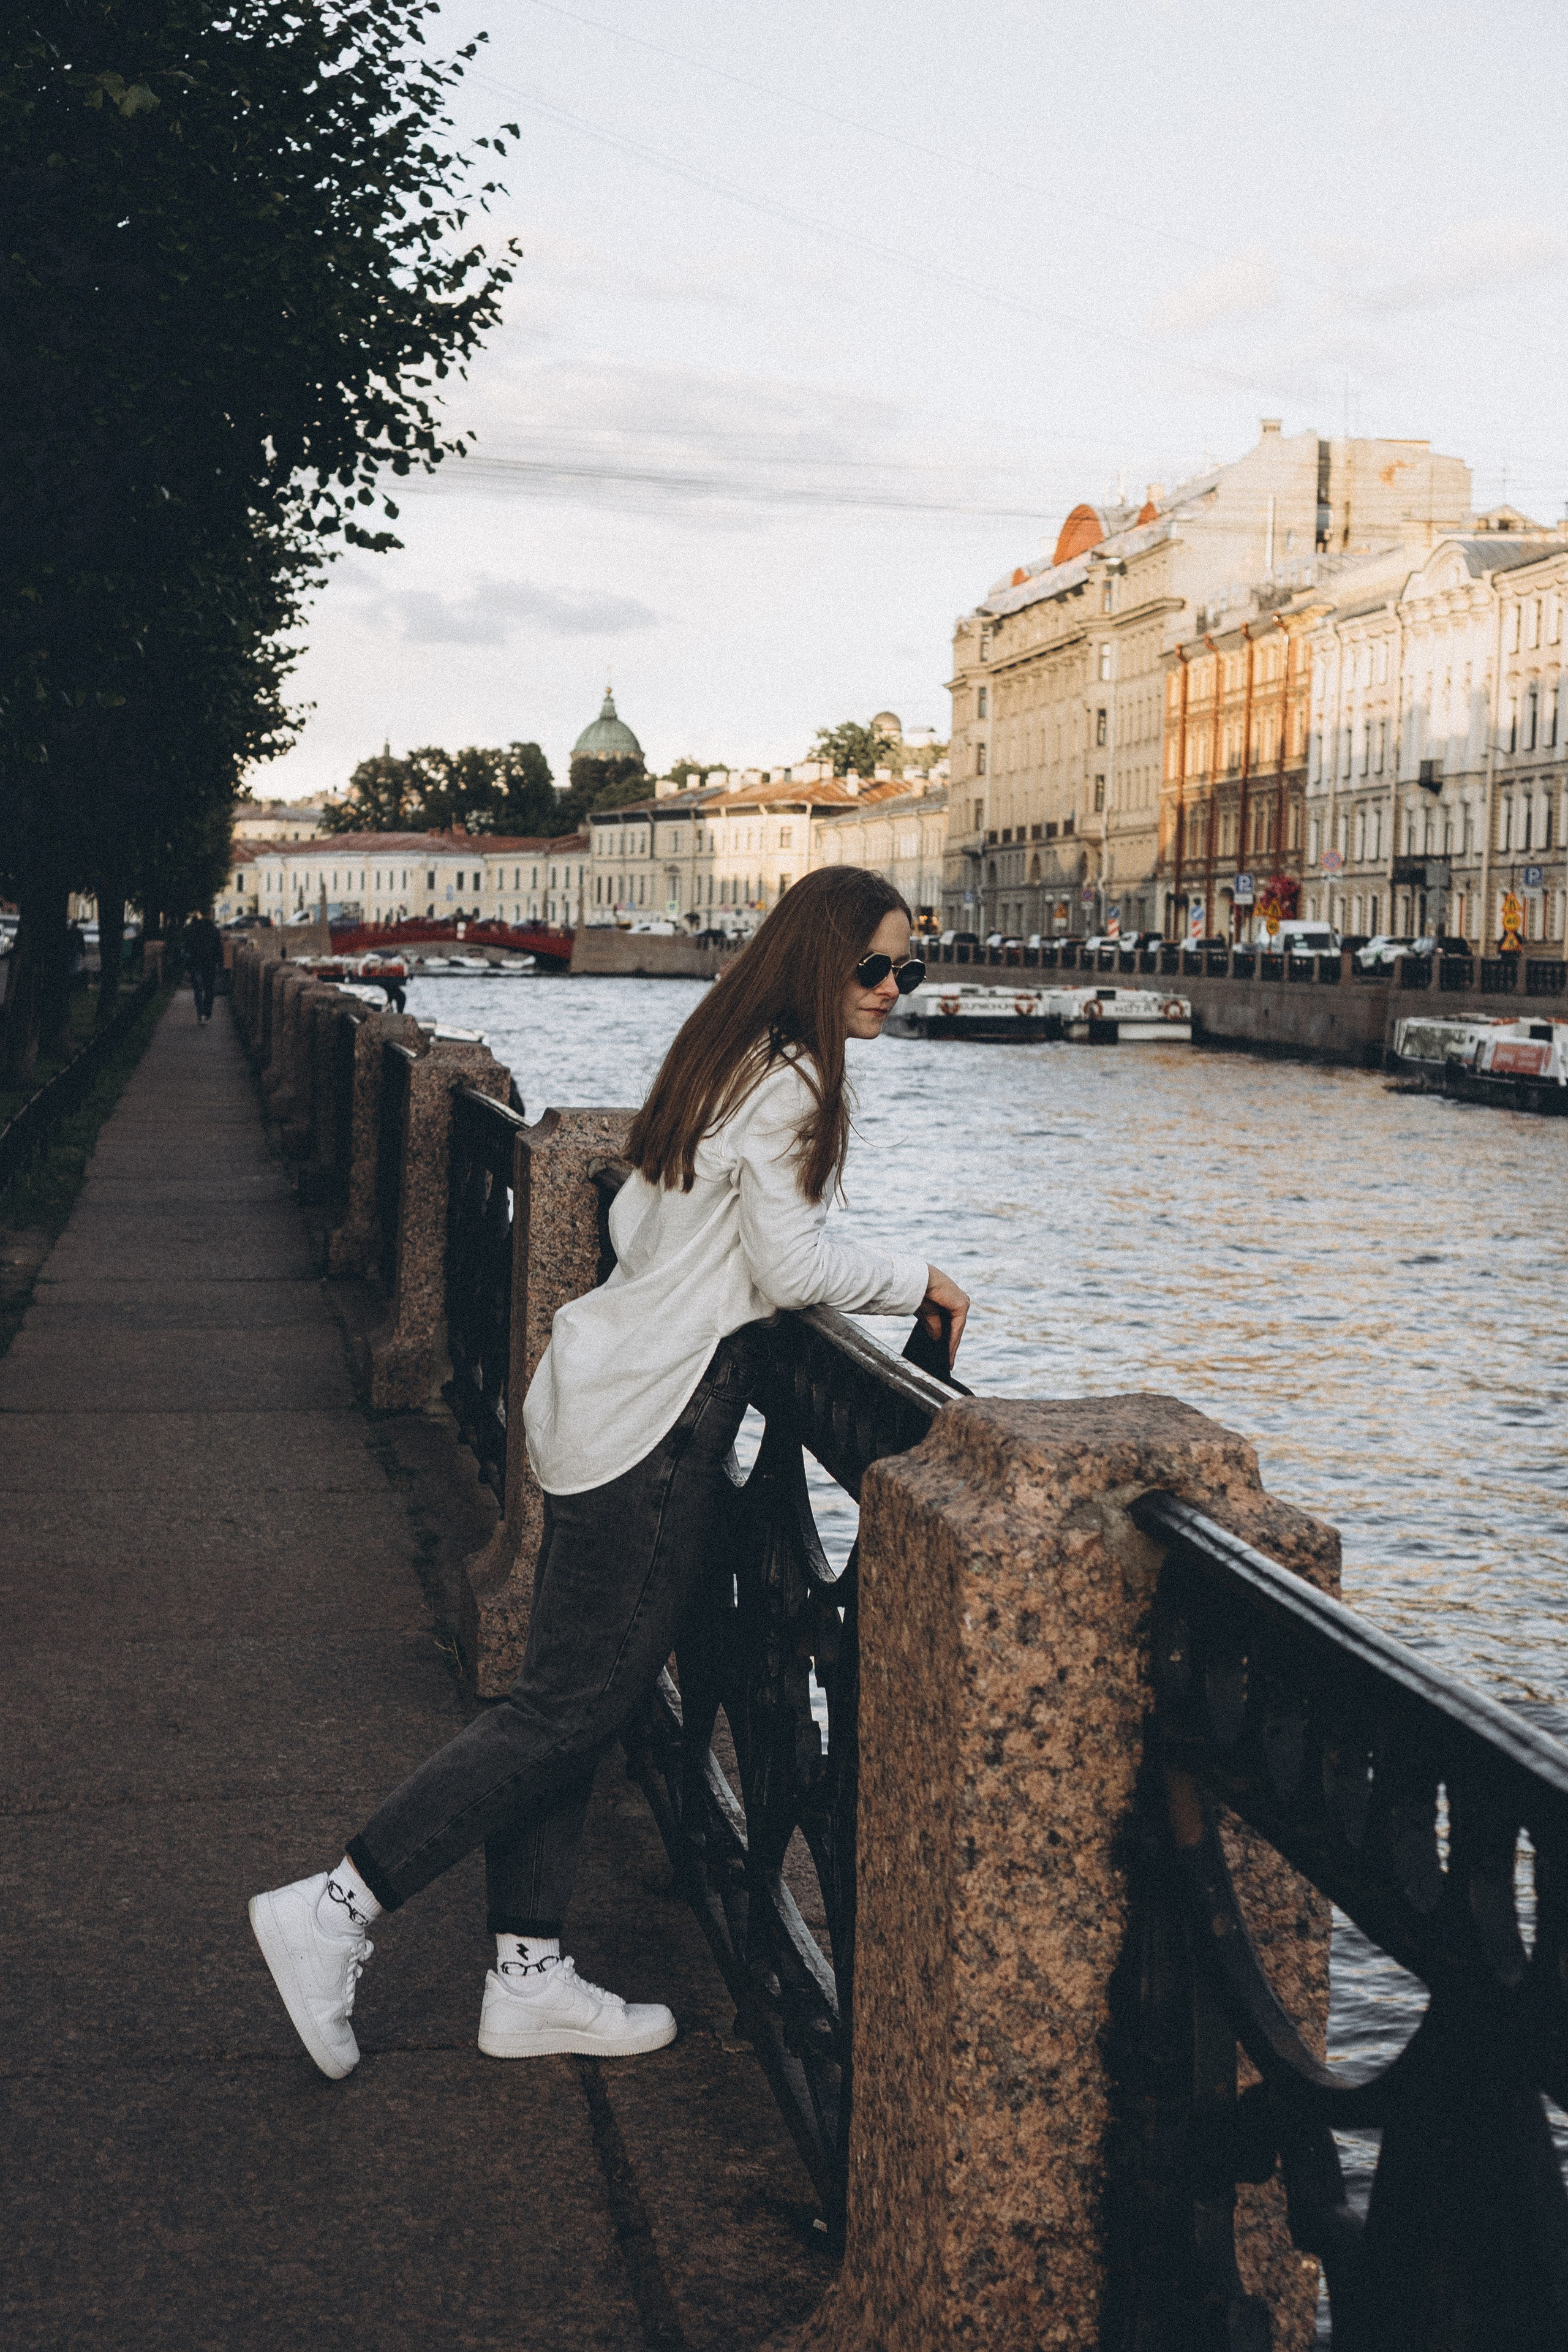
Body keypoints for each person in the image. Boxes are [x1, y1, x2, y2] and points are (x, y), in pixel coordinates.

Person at [248, 866, 969, 2079]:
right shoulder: (793, 1078)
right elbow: (789, 1265)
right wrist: (927, 1284)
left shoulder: (722, 1053)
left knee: (571, 1698)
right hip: (655, 1423)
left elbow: (639, 1228)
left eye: (909, 968)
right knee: (568, 1707)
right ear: (817, 962)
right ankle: (335, 1908)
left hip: (594, 1394)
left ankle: (526, 1976)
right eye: (874, 969)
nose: (894, 990)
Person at [184, 910, 222, 1023]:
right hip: (210, 962)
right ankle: (207, 1012)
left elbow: (187, 946)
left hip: (196, 962)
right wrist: (219, 962)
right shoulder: (214, 929)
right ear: (210, 914)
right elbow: (218, 948)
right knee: (209, 989)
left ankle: (200, 1014)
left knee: (198, 988)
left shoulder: (192, 928)